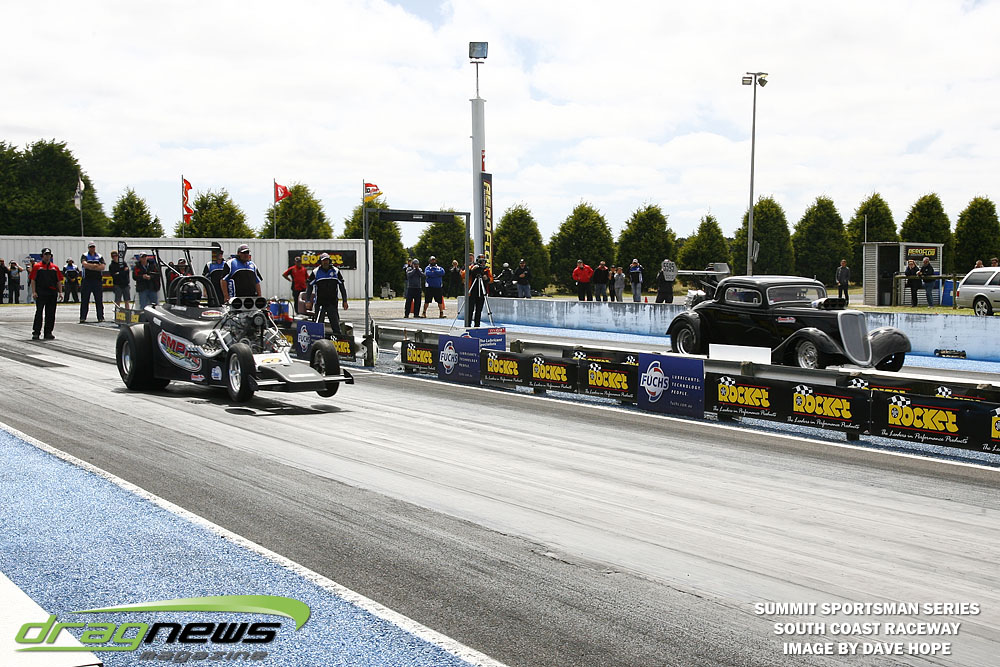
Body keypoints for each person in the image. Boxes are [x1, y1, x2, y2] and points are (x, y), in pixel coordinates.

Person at [309, 253, 349, 335]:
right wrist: (307, 301)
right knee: (318, 323)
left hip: (332, 302)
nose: (325, 262)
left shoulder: (336, 271)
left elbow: (342, 287)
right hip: (320, 303)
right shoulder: (315, 272)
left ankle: (338, 338)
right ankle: (318, 338)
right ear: (320, 262)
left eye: (327, 260)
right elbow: (309, 287)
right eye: (323, 261)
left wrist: (345, 301)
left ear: (329, 261)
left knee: (335, 323)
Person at [29, 248, 63, 340]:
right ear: (42, 256)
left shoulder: (55, 268)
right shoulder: (37, 267)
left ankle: (48, 332)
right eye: (46, 255)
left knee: (51, 313)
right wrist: (34, 292)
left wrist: (60, 292)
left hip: (52, 293)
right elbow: (33, 280)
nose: (47, 257)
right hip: (41, 292)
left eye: (49, 255)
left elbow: (59, 281)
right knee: (39, 312)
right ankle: (36, 332)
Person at [79, 241, 106, 323]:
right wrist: (95, 266)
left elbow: (103, 267)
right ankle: (83, 317)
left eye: (93, 247)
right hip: (87, 280)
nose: (92, 248)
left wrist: (91, 267)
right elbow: (85, 264)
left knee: (99, 300)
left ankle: (100, 317)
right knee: (85, 299)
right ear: (88, 248)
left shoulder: (99, 256)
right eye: (91, 247)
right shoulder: (85, 255)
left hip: (97, 280)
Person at [467, 254, 492, 327]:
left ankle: (477, 325)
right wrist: (472, 270)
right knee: (470, 309)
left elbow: (491, 280)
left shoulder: (486, 270)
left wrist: (486, 278)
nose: (482, 263)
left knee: (479, 310)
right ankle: (468, 324)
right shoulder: (472, 267)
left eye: (484, 261)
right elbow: (463, 274)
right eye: (481, 261)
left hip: (482, 292)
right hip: (472, 291)